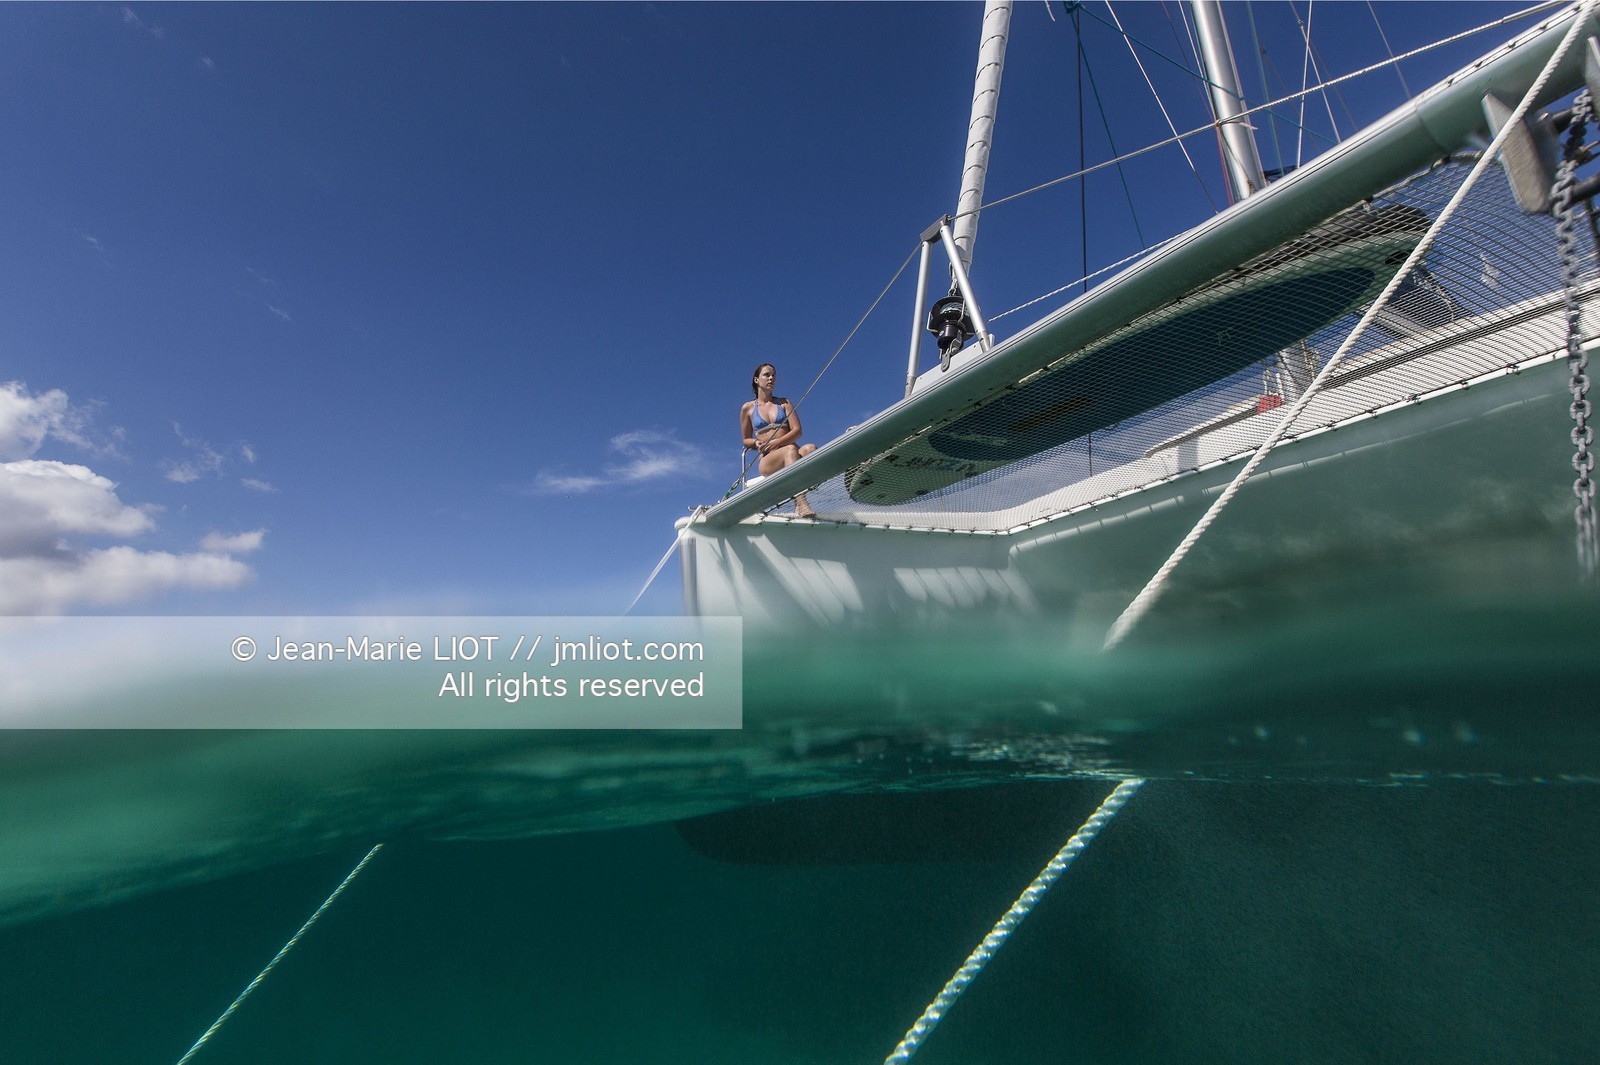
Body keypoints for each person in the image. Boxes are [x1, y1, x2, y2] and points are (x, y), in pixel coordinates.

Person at [741, 362, 816, 517]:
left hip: (790, 451)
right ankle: (801, 503)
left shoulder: (784, 403)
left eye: (773, 375)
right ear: (756, 380)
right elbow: (746, 439)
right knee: (790, 450)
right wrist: (755, 443)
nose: (771, 378)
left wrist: (776, 442)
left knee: (810, 449)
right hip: (769, 460)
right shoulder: (748, 408)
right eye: (767, 375)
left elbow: (797, 431)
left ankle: (802, 489)